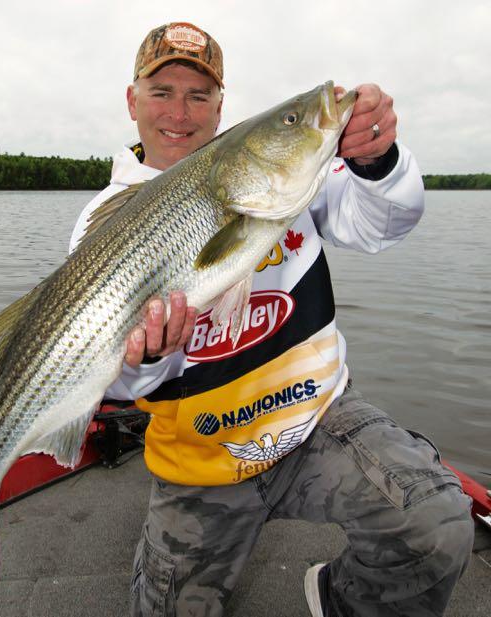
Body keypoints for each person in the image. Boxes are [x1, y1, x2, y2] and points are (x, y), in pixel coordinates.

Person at [70, 22, 474, 617]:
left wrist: (377, 159)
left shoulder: (282, 172)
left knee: (437, 525)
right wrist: (149, 357)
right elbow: (116, 382)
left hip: (317, 419)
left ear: (221, 105)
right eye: (162, 92)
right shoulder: (101, 226)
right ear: (132, 101)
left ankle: (339, 599)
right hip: (201, 457)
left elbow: (384, 224)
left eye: (200, 94)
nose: (180, 111)